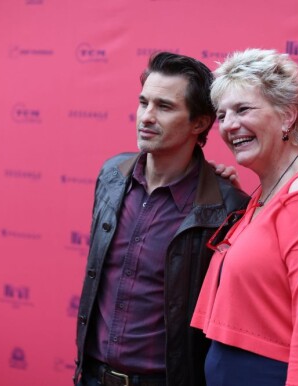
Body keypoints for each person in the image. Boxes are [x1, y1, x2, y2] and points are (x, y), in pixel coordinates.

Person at [74, 52, 249, 386]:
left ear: (199, 123)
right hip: (91, 376)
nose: (146, 117)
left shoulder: (228, 207)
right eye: (144, 103)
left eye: (164, 107)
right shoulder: (111, 175)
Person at [191, 48, 298, 386]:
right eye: (222, 115)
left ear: (287, 116)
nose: (229, 125)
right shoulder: (261, 196)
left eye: (243, 109)